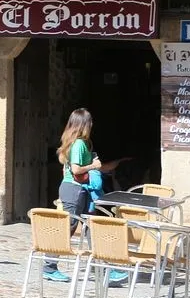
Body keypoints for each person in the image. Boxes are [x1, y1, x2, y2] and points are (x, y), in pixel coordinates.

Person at [43, 109, 128, 284]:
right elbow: (75, 170)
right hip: (75, 191)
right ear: (85, 124)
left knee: (91, 226)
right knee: (68, 227)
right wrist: (94, 166)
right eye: (90, 122)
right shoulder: (80, 144)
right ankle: (49, 267)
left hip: (78, 190)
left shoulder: (71, 142)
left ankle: (104, 269)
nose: (92, 125)